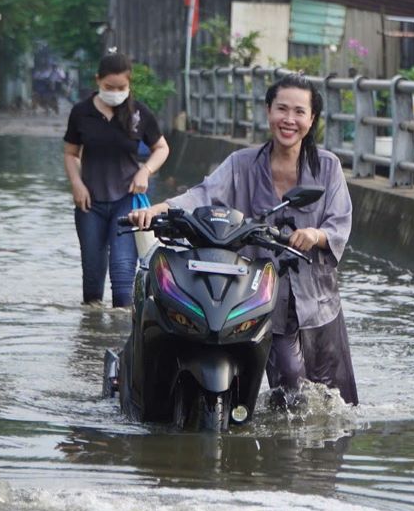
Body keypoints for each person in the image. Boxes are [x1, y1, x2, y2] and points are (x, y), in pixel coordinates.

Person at [129, 75, 358, 405]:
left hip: (318, 299)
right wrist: (159, 209)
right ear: (268, 111)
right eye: (281, 109)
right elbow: (203, 195)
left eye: (299, 112)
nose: (289, 120)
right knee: (290, 389)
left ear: (312, 119)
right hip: (262, 293)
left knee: (338, 401)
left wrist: (315, 234)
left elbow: (339, 222)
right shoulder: (241, 164)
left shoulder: (328, 167)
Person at [64, 51, 170, 307]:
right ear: (98, 80)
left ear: (129, 83)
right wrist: (76, 184)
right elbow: (70, 153)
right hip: (90, 203)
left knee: (123, 273)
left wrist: (145, 171)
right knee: (92, 275)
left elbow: (162, 148)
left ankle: (119, 334)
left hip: (127, 201)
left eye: (121, 87)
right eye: (109, 87)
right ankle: (91, 336)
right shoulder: (81, 113)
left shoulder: (138, 114)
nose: (115, 92)